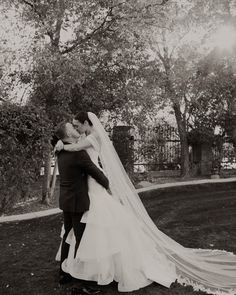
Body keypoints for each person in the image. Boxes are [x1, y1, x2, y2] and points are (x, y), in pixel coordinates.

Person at [55, 112, 236, 295]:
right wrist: (59, 142)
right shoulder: (85, 136)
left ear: (86, 123)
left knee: (96, 229)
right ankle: (86, 270)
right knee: (91, 230)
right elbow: (72, 145)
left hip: (93, 185)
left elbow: (74, 149)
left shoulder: (93, 137)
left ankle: (90, 272)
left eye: (77, 125)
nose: (76, 128)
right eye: (73, 127)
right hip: (86, 189)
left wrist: (61, 144)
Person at [54, 121, 109, 288]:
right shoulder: (79, 154)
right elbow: (96, 173)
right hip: (78, 201)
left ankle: (63, 273)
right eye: (72, 127)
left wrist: (58, 141)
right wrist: (108, 184)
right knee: (80, 239)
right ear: (69, 135)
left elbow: (58, 137)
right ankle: (81, 279)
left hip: (66, 199)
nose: (75, 128)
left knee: (67, 236)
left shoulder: (60, 151)